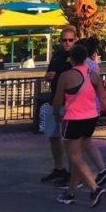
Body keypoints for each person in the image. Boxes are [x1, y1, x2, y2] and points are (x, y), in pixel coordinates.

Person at [53, 43, 106, 206]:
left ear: (71, 58)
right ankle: (71, 192)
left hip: (73, 118)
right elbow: (103, 97)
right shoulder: (93, 75)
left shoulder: (66, 76)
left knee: (74, 156)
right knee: (79, 155)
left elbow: (57, 100)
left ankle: (95, 189)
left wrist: (56, 114)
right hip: (91, 118)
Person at [40, 26, 77, 185]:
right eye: (64, 40)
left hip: (69, 103)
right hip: (54, 100)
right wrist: (48, 76)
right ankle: (59, 168)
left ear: (75, 40)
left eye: (70, 40)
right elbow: (48, 75)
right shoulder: (57, 55)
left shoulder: (77, 57)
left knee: (69, 140)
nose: (67, 43)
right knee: (53, 137)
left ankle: (73, 172)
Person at [82, 36, 106, 188]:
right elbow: (100, 90)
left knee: (75, 147)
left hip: (81, 109)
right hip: (93, 108)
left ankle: (81, 177)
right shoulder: (93, 65)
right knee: (85, 142)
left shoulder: (79, 67)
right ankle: (101, 170)